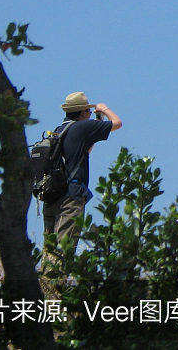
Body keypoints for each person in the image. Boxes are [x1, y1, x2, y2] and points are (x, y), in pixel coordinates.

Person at [42, 91, 122, 254]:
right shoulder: (83, 127)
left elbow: (86, 150)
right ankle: (58, 280)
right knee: (64, 249)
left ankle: (45, 279)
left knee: (49, 249)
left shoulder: (61, 130)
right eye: (89, 111)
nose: (91, 114)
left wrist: (97, 119)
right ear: (83, 112)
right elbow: (117, 123)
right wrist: (104, 109)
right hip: (70, 198)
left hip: (52, 197)